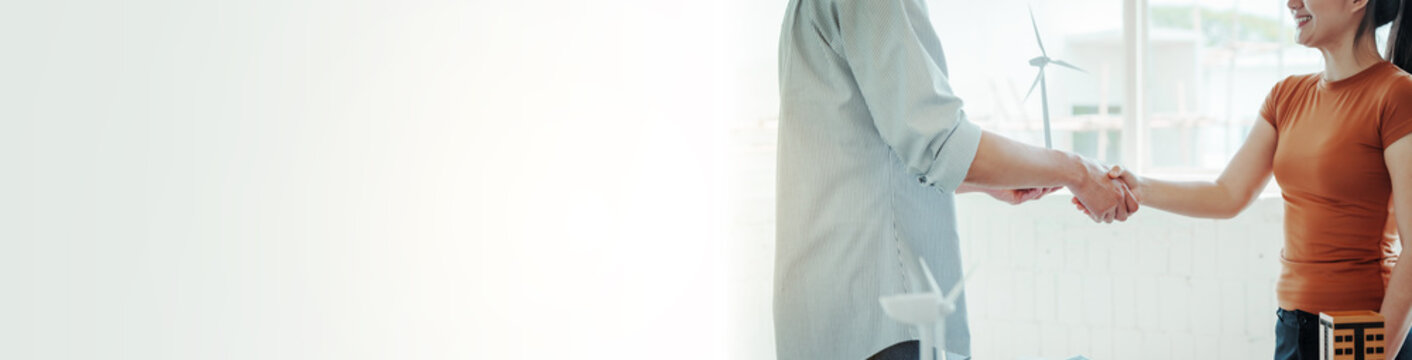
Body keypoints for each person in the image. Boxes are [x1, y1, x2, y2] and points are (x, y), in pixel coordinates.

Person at [774, 0, 1139, 359]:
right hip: (879, 312)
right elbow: (939, 143)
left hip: (825, 309)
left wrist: (985, 181)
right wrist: (1076, 171)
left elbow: (876, 156)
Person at [1087, 0, 1412, 357]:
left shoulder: (1397, 93)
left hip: (1360, 328)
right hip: (1293, 323)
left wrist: (1377, 352)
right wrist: (1138, 188)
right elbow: (1227, 193)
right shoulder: (1286, 96)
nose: (1291, 3)